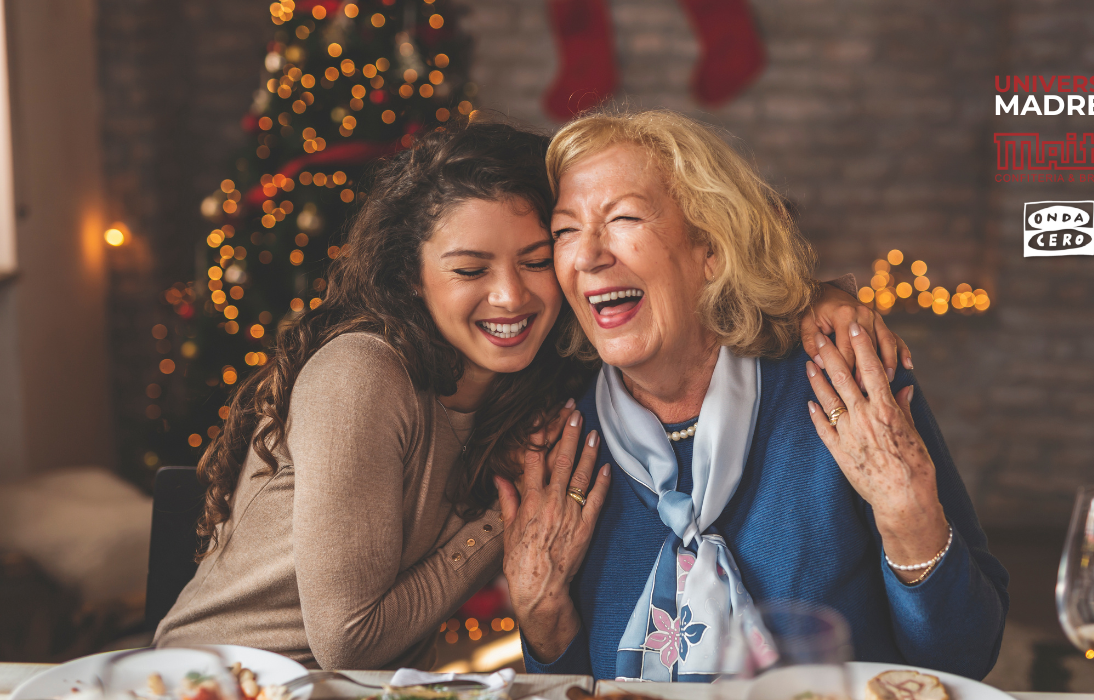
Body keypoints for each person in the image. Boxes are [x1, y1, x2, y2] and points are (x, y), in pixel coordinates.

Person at [154, 120, 898, 669]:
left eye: (538, 258)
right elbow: (349, 640)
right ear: (414, 278)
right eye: (470, 269)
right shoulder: (364, 374)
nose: (510, 296)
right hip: (213, 681)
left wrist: (820, 301)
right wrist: (494, 522)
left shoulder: (544, 381)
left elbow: (708, 287)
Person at [498, 110, 1009, 682]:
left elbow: (966, 658)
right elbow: (567, 687)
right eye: (565, 230)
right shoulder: (562, 435)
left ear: (710, 249)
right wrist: (541, 615)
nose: (588, 255)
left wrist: (909, 516)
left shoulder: (843, 380)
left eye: (624, 218)